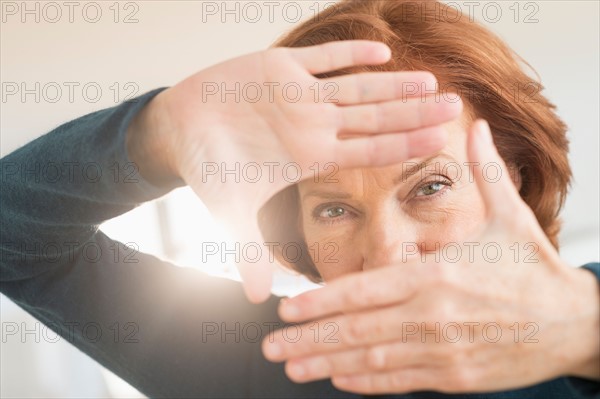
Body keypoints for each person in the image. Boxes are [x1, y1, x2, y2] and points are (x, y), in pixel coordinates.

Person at [0, 1, 598, 399]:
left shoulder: (586, 326)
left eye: (430, 186)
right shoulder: (267, 366)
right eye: (333, 209)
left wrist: (586, 330)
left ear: (514, 177)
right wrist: (152, 137)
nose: (388, 255)